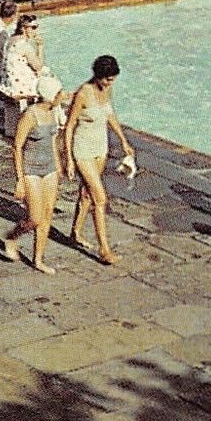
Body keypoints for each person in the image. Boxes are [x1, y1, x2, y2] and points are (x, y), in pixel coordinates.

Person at [63, 55, 134, 266]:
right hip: (83, 149)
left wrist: (123, 141)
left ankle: (75, 233)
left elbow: (110, 114)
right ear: (98, 76)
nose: (110, 83)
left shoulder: (107, 89)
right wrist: (68, 158)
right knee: (100, 198)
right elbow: (69, 126)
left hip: (100, 147)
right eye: (107, 79)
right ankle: (104, 249)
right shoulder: (84, 93)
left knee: (86, 194)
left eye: (113, 79)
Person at [2, 72, 66, 275]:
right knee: (35, 218)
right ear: (49, 95)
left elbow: (54, 141)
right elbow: (17, 147)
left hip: (49, 169)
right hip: (31, 170)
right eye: (59, 92)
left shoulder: (54, 111)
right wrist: (20, 179)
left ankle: (38, 259)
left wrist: (58, 166)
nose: (61, 95)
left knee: (47, 215)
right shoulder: (30, 115)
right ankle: (12, 236)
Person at [0, 14, 45, 104]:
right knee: (48, 81)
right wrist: (40, 46)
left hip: (8, 82)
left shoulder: (10, 39)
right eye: (33, 27)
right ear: (23, 28)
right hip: (19, 87)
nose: (36, 30)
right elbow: (38, 66)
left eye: (37, 26)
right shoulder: (24, 45)